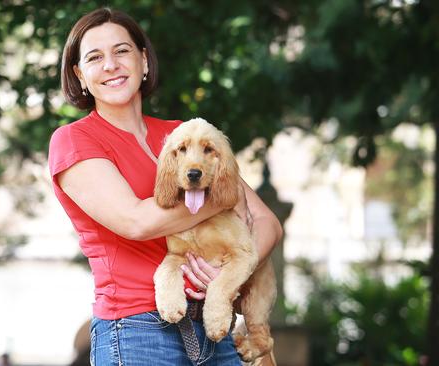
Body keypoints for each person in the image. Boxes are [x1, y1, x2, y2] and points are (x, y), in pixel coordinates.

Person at [48, 8, 283, 366]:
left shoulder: (183, 135)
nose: (111, 64)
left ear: (143, 61)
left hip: (213, 325)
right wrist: (223, 196)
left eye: (122, 51)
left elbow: (266, 221)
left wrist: (227, 276)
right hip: (137, 331)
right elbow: (136, 222)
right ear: (80, 76)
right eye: (95, 57)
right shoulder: (74, 140)